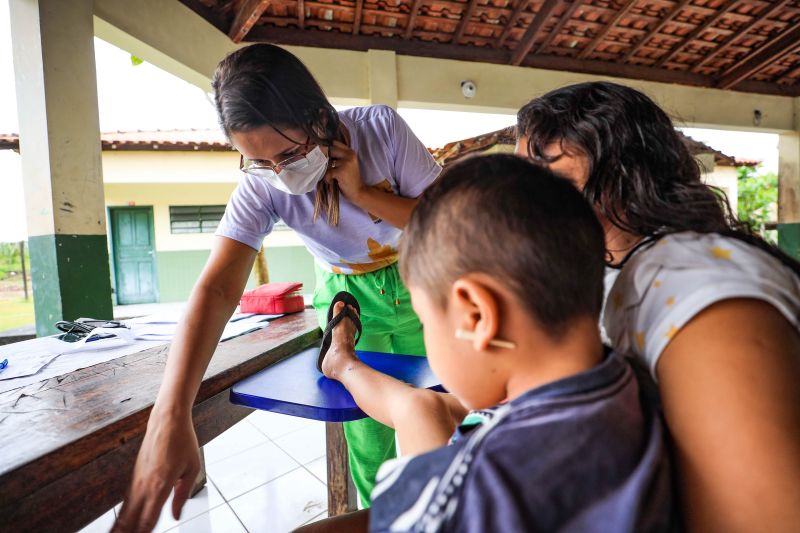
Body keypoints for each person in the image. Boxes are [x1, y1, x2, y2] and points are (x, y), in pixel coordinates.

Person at [114, 44, 440, 531]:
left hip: (421, 271)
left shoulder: (381, 129)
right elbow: (217, 289)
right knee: (369, 433)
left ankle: (438, 506)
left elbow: (443, 219)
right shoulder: (260, 185)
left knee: (435, 401)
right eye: (260, 161)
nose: (280, 173)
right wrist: (170, 411)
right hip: (349, 295)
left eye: (289, 154)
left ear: (319, 118)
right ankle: (387, 518)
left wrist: (362, 193)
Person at [297, 154, 675, 533]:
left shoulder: (479, 486)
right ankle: (343, 363)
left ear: (476, 315)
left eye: (427, 321)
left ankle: (343, 362)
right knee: (419, 405)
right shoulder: (633, 381)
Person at [515, 81, 800, 532]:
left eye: (548, 184)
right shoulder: (615, 270)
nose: (520, 205)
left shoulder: (696, 286)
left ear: (622, 177)